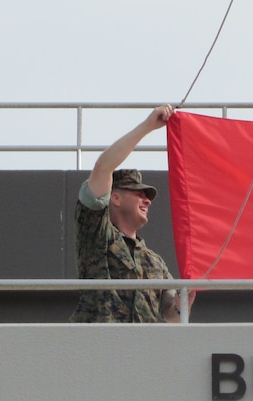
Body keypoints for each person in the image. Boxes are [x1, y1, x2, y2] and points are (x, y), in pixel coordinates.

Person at [69, 104, 189, 323]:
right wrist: (148, 126)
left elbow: (171, 315)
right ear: (115, 198)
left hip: (143, 351)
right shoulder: (97, 234)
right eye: (139, 194)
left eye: (148, 197)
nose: (147, 201)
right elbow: (103, 168)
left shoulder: (154, 262)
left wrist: (187, 296)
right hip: (99, 345)